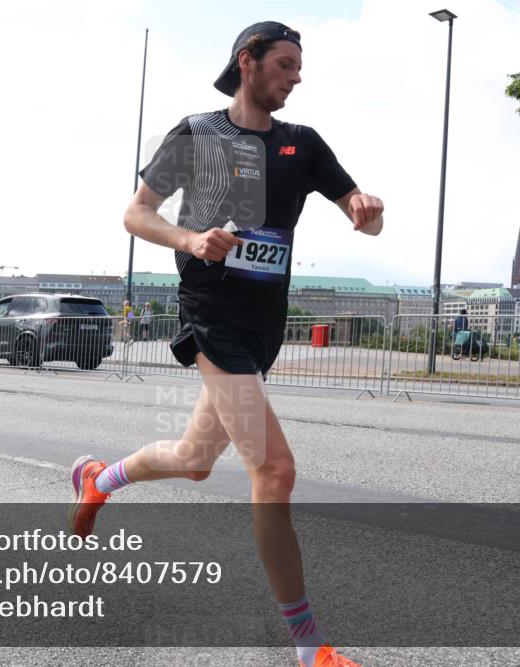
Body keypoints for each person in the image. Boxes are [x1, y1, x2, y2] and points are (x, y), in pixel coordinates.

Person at [69, 21, 382, 667]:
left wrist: (366, 210)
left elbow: (362, 214)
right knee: (275, 469)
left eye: (299, 66)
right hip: (211, 315)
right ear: (248, 61)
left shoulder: (303, 143)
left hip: (264, 323)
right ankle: (310, 647)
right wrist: (189, 239)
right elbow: (136, 213)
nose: (297, 76)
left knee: (193, 459)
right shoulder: (197, 133)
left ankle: (99, 478)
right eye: (286, 64)